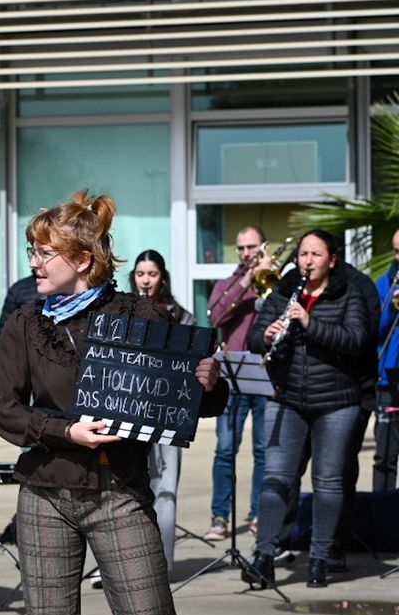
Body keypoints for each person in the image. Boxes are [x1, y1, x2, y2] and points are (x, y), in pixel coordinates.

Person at [0, 190, 225, 615]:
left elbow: (192, 403)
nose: (34, 261)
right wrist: (64, 431)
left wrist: (209, 383)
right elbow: (4, 408)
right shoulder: (25, 323)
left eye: (45, 252)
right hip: (45, 495)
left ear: (84, 260)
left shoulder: (140, 316)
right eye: (32, 249)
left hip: (119, 494)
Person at [245, 229, 373, 589]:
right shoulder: (284, 290)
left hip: (336, 402)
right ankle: (264, 556)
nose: (308, 261)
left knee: (328, 482)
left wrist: (309, 323)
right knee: (276, 479)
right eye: (303, 254)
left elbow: (355, 340)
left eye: (316, 255)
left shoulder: (350, 291)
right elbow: (254, 339)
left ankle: (319, 557)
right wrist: (267, 335)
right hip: (287, 398)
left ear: (331, 259)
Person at [205, 226, 272, 539]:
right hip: (233, 376)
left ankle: (259, 513)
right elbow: (215, 318)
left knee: (263, 450)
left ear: (264, 247)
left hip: (267, 375)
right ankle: (220, 516)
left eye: (252, 247)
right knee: (226, 449)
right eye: (242, 248)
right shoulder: (227, 283)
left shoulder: (276, 283)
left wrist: (269, 276)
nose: (247, 253)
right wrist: (247, 280)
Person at [129, 249, 194, 570]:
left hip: (168, 410)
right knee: (133, 485)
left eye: (152, 274)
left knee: (166, 486)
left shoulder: (181, 315)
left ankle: (163, 563)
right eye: (140, 274)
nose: (145, 280)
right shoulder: (124, 313)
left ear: (162, 277)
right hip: (132, 409)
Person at [372, 228, 399, 493]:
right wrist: (391, 307)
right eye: (397, 250)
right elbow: (373, 329)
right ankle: (384, 514)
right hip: (389, 377)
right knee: (385, 455)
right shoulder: (384, 284)